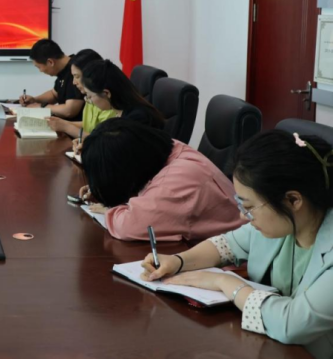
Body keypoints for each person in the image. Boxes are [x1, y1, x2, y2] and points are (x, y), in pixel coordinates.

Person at [141, 130, 333, 358]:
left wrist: (224, 282)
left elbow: (291, 324)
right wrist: (178, 261)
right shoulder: (284, 222)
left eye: (249, 207)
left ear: (293, 200)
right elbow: (227, 244)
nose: (243, 216)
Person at [79, 118, 244, 242]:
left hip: (235, 263)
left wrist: (110, 207)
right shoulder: (164, 149)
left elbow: (128, 226)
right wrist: (107, 188)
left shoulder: (174, 185)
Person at [46, 49, 117, 151]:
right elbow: (89, 124)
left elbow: (103, 141)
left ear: (90, 74)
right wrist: (60, 124)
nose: (74, 82)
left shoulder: (104, 100)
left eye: (77, 76)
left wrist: (66, 127)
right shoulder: (89, 96)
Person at [80, 59, 165, 130]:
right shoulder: (119, 111)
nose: (89, 101)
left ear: (106, 93)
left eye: (89, 96)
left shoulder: (136, 119)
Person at [18, 39, 83, 121]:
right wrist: (34, 100)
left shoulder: (75, 71)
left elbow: (69, 111)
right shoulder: (63, 70)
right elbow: (54, 94)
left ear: (50, 62)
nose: (40, 71)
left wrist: (41, 106)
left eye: (39, 67)